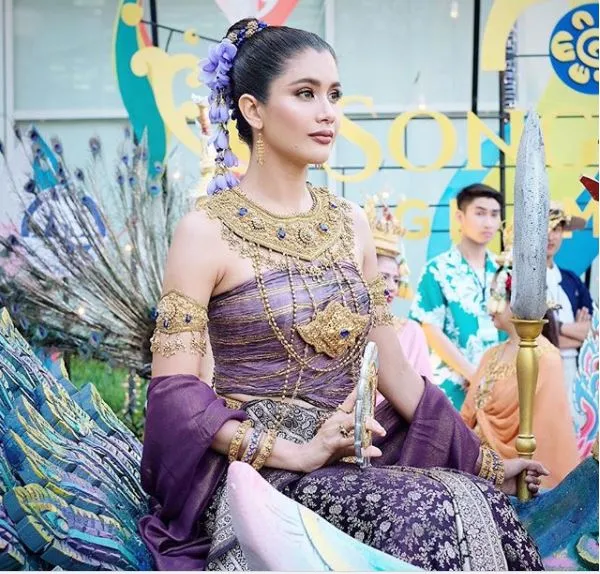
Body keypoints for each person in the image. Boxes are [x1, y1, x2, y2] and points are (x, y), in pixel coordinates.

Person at [138, 19, 546, 571]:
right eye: (305, 94)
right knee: (422, 511)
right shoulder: (204, 231)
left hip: (353, 455)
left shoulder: (351, 224)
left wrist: (489, 464)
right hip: (260, 475)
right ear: (253, 110)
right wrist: (296, 452)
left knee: (478, 502)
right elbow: (176, 397)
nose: (327, 112)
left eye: (334, 94)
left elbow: (397, 374)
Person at [462, 240, 579, 489]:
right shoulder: (490, 354)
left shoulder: (546, 358)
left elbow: (547, 435)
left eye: (495, 296)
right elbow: (466, 417)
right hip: (476, 470)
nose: (489, 306)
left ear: (518, 300)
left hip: (517, 480)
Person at [409, 183, 506, 410]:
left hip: (498, 385)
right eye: (480, 213)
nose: (488, 222)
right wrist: (472, 374)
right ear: (460, 217)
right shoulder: (437, 269)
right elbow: (430, 328)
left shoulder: (504, 269)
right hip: (453, 385)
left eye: (494, 215)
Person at [365, 197, 434, 382]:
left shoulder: (411, 331)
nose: (392, 287)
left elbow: (425, 388)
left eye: (396, 279)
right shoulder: (344, 330)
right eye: (383, 277)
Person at [546, 200, 593, 393]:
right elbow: (532, 339)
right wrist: (577, 333)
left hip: (574, 372)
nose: (550, 236)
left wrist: (558, 328)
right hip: (537, 373)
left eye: (556, 229)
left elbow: (594, 333)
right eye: (544, 228)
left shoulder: (571, 279)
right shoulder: (517, 277)